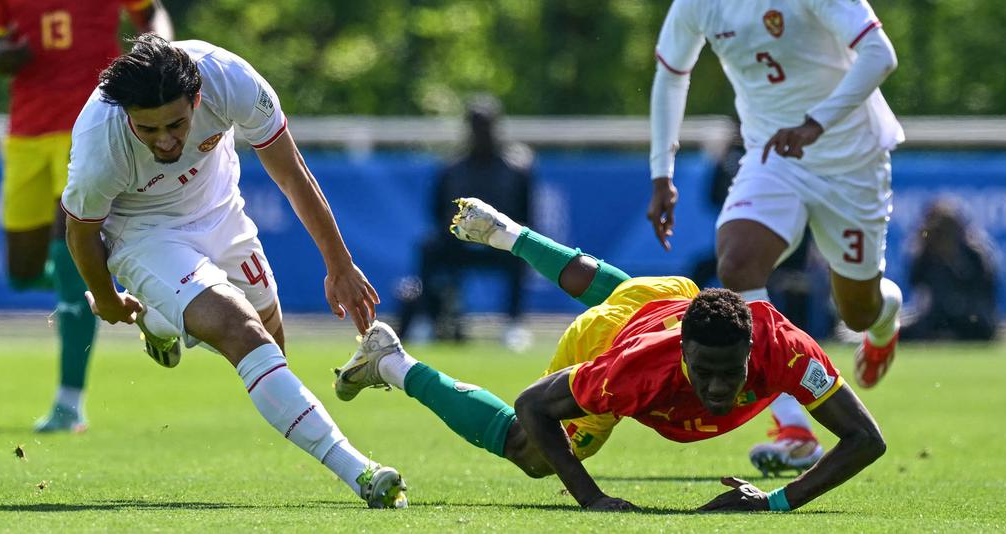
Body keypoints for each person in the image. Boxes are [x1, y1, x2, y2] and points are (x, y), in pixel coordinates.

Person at [334, 198, 885, 511]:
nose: (719, 388)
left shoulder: (784, 348)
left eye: (731, 371)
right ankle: (390, 361)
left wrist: (775, 503)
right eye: (706, 374)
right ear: (684, 358)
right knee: (534, 454)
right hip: (615, 337)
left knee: (631, 291)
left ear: (752, 351)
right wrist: (592, 499)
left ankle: (512, 235)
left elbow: (867, 439)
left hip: (671, 302)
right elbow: (532, 405)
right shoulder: (635, 374)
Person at [60, 33, 407, 508]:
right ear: (126, 118)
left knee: (271, 342)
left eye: (176, 124)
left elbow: (290, 173)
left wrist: (339, 263)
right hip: (145, 233)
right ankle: (359, 471)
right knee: (239, 331)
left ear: (197, 98)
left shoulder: (230, 79)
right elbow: (80, 234)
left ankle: (161, 318)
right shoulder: (100, 142)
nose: (165, 141)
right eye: (148, 129)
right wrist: (106, 297)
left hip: (222, 212)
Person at [645, 0, 904, 473]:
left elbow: (880, 54)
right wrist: (662, 171)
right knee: (735, 264)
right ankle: (794, 428)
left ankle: (885, 313)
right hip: (772, 158)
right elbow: (668, 79)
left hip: (850, 160)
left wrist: (818, 121)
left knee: (856, 310)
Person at [0, 0, 174, 433]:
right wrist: (2, 57)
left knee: (70, 259)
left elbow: (152, 13)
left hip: (90, 126)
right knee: (21, 268)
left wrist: (163, 47)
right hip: (26, 131)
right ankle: (102, 291)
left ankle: (70, 402)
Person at [398, 95, 534, 347]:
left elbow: (527, 214)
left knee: (525, 249)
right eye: (475, 126)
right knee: (428, 248)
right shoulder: (451, 168)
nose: (481, 132)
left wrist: (498, 233)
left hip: (502, 243)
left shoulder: (516, 168)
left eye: (486, 125)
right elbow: (437, 212)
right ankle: (426, 321)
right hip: (458, 243)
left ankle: (514, 325)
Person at [904, 199, 999, 341]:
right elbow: (914, 281)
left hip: (972, 317)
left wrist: (954, 260)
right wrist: (924, 247)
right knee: (904, 331)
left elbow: (985, 290)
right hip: (937, 317)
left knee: (976, 327)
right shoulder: (927, 255)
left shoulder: (974, 254)